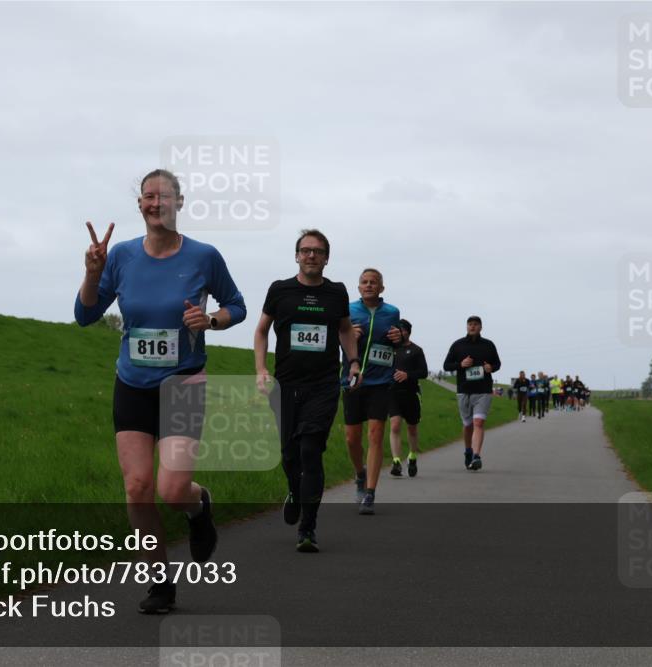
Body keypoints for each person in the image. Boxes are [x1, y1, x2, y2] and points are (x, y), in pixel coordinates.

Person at [74, 169, 247, 614]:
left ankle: (198, 507)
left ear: (179, 202)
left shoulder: (204, 256)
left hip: (184, 382)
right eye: (148, 196)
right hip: (132, 382)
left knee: (172, 490)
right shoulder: (122, 257)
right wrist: (93, 272)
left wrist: (211, 321)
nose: (156, 203)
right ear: (140, 205)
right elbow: (85, 314)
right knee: (137, 487)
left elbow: (237, 305)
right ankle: (160, 584)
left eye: (164, 196)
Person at [254, 230, 360, 553]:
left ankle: (308, 528)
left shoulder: (336, 293)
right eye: (305, 250)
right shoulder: (279, 290)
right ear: (297, 255)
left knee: (311, 450)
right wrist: (260, 370)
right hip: (285, 384)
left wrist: (353, 362)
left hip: (324, 385)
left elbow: (344, 329)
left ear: (327, 258)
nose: (311, 255)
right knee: (289, 455)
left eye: (318, 251)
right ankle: (294, 491)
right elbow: (261, 331)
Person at [341, 268, 404, 514]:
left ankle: (370, 492)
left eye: (373, 282)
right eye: (364, 282)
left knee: (376, 434)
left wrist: (398, 336)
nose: (369, 285)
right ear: (358, 287)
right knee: (351, 438)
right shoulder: (348, 309)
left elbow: (397, 340)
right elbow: (339, 337)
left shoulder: (392, 312)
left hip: (380, 382)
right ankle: (360, 474)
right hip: (353, 381)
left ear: (381, 288)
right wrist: (348, 335)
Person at [443, 316, 501, 471]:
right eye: (470, 324)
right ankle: (468, 450)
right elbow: (446, 365)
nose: (472, 327)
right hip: (464, 390)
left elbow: (497, 363)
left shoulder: (488, 345)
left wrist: (491, 368)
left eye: (475, 324)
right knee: (468, 424)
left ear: (481, 327)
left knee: (478, 423)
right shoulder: (458, 345)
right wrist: (460, 364)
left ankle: (476, 455)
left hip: (483, 390)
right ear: (466, 327)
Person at [388, 319, 428, 477]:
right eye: (397, 330)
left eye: (402, 330)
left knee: (412, 428)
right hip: (392, 392)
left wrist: (408, 375)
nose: (399, 333)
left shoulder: (416, 350)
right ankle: (396, 461)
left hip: (411, 393)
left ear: (408, 332)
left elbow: (423, 372)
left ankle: (412, 456)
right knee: (395, 425)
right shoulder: (390, 348)